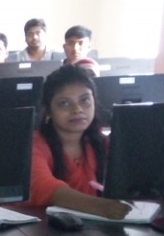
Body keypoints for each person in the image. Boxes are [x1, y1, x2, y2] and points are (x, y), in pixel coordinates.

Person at [26, 65, 130, 219]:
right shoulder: (34, 145)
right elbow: (43, 186)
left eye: (85, 100)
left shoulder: (101, 143)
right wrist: (102, 207)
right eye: (65, 103)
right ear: (48, 112)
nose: (77, 109)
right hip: (41, 233)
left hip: (92, 231)